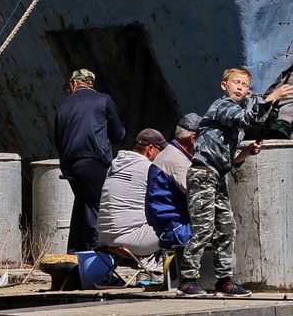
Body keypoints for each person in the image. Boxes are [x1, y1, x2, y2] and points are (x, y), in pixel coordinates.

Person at [178, 68, 293, 297]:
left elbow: (229, 159)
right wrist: (270, 98)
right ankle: (187, 280)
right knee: (203, 229)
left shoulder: (236, 123)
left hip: (217, 177)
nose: (240, 87)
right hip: (202, 174)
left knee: (226, 228)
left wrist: (247, 152)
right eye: (236, 83)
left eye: (245, 85)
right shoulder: (222, 106)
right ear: (224, 86)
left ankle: (224, 280)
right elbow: (245, 117)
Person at [54, 68, 126, 253]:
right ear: (90, 83)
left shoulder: (63, 107)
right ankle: (98, 256)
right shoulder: (103, 100)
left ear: (74, 84)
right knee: (97, 207)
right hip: (94, 160)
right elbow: (119, 134)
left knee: (82, 205)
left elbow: (57, 139)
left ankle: (75, 254)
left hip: (69, 164)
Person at [97, 128, 166, 273]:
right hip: (130, 240)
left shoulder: (114, 165)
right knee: (177, 225)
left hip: (104, 237)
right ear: (151, 149)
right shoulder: (148, 168)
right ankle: (161, 269)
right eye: (161, 152)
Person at [145, 113, 201, 248]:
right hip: (178, 231)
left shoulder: (170, 154)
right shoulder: (178, 162)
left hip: (167, 229)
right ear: (193, 138)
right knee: (225, 227)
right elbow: (199, 197)